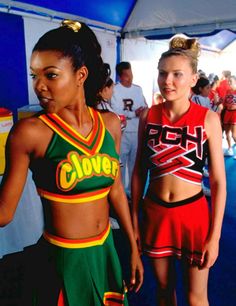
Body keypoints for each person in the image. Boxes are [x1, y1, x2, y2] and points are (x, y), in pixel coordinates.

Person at [0, 20, 143, 305]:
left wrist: (133, 246)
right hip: (62, 259)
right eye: (34, 76)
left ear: (81, 75)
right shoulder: (31, 133)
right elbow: (4, 213)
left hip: (105, 250)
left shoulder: (110, 124)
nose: (39, 86)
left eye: (50, 75)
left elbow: (115, 190)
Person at [132, 36, 226, 306]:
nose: (167, 81)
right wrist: (135, 221)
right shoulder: (148, 116)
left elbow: (219, 180)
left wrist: (215, 236)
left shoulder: (208, 118)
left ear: (194, 78)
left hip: (193, 216)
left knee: (196, 298)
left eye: (177, 74)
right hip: (155, 213)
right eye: (163, 73)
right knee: (163, 292)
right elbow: (139, 171)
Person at [110, 61, 147, 198]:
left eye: (131, 74)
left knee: (135, 164)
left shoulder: (138, 89)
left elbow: (144, 105)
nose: (130, 77)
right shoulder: (115, 89)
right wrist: (133, 114)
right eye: (126, 75)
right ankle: (120, 194)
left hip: (137, 132)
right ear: (120, 76)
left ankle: (133, 192)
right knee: (121, 164)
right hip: (122, 133)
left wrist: (143, 111)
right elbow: (116, 111)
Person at [222, 75, 236, 158]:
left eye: (231, 81)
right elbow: (224, 103)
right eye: (228, 81)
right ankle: (230, 149)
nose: (229, 83)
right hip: (227, 112)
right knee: (227, 133)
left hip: (235, 113)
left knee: (234, 134)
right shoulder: (227, 91)